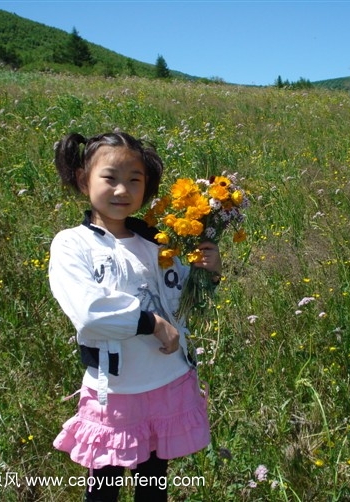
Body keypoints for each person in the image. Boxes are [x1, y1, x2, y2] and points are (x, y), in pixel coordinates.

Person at [48, 131, 221, 501]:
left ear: (148, 187)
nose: (122, 190)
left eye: (134, 180)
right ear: (84, 180)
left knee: (153, 485)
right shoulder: (72, 244)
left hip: (168, 381)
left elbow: (185, 298)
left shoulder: (158, 241)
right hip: (116, 392)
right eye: (109, 178)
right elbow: (89, 312)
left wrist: (210, 272)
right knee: (104, 488)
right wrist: (151, 323)